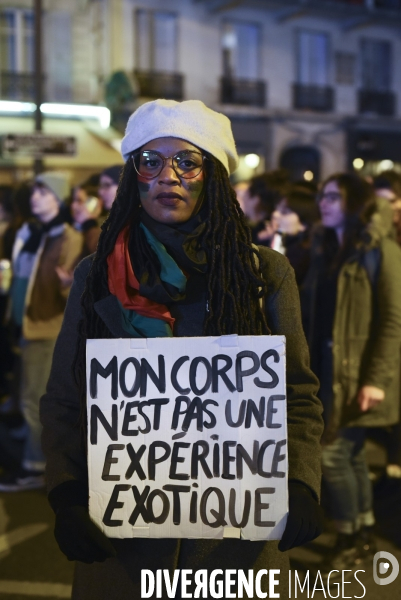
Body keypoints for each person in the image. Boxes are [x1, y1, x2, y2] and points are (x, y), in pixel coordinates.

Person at [40, 100, 324, 599]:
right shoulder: (95, 275)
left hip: (233, 545)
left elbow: (296, 394)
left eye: (186, 161)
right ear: (134, 176)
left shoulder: (263, 275)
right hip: (124, 545)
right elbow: (65, 399)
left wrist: (301, 481)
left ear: (211, 174)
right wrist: (65, 495)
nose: (166, 176)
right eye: (149, 161)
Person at [301, 173, 401, 571]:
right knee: (353, 454)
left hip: (359, 374)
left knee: (334, 453)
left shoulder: (382, 250)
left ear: (354, 204)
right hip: (327, 370)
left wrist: (377, 379)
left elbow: (393, 320)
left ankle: (347, 535)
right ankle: (361, 532)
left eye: (332, 197)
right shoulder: (327, 247)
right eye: (322, 196)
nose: (322, 203)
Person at [0, 172, 83, 491]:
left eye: (43, 192)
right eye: (34, 192)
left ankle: (35, 466)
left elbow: (73, 291)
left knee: (35, 400)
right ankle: (31, 447)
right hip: (28, 324)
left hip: (48, 328)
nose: (35, 197)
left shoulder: (69, 237)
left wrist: (67, 286)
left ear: (57, 198)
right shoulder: (36, 232)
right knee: (27, 395)